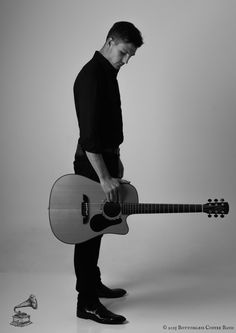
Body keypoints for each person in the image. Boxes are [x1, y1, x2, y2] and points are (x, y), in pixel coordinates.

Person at [73, 21, 143, 324]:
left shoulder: (107, 73)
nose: (126, 61)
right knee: (86, 231)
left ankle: (93, 284)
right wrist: (104, 176)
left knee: (98, 226)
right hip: (92, 166)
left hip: (106, 161)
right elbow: (89, 136)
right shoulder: (91, 76)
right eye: (124, 53)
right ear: (110, 41)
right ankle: (86, 303)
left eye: (131, 57)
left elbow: (105, 128)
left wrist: (116, 162)